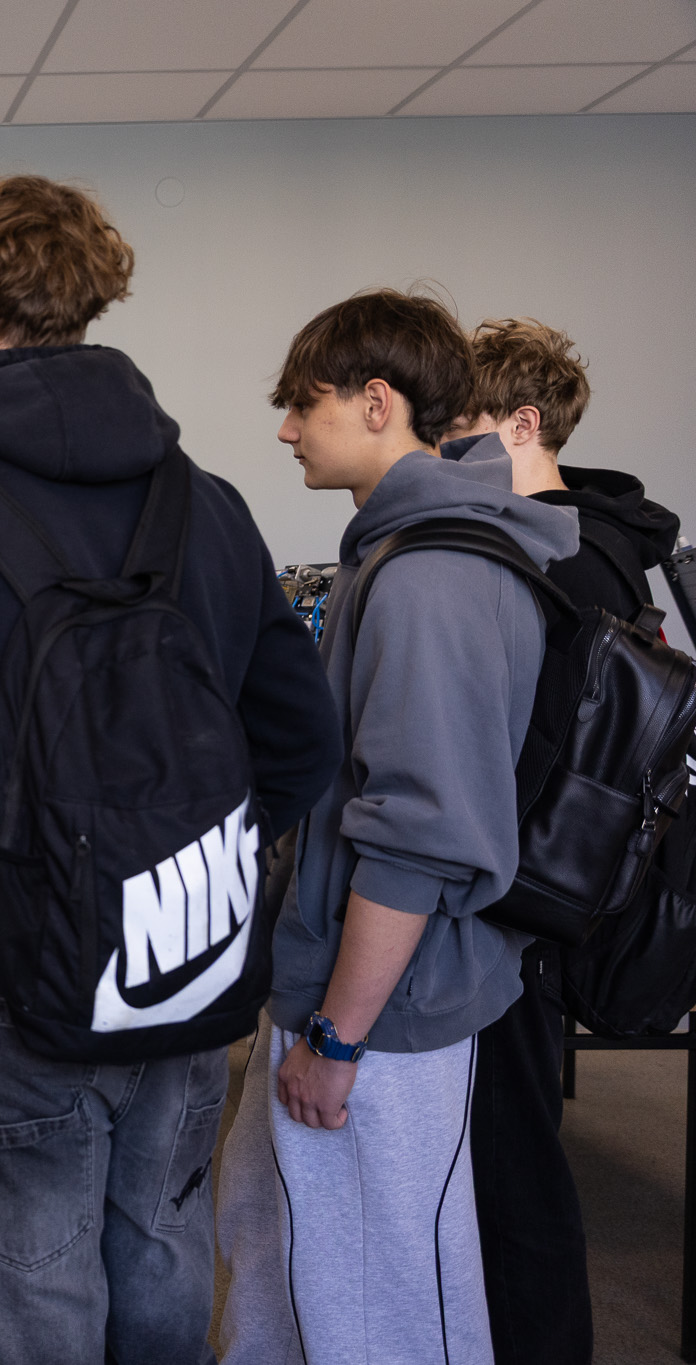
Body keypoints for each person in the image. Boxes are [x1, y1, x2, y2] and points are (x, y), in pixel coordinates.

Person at [0, 175, 339, 1365]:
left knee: (10, 1293)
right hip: (181, 957)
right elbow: (301, 736)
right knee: (157, 1252)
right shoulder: (203, 503)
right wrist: (180, 861)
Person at [216, 291, 581, 1365]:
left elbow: (420, 836)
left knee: (375, 1301)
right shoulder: (399, 553)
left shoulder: (431, 576)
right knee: (286, 1254)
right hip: (350, 989)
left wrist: (338, 1038)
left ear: (376, 402)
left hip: (383, 1012)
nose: (287, 430)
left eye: (304, 403)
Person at [445, 318, 679, 1365]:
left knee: (511, 1170)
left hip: (526, 905)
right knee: (508, 1157)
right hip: (542, 895)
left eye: (458, 425)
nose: (442, 447)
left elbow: (543, 755)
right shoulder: (594, 544)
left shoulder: (561, 561)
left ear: (522, 423)